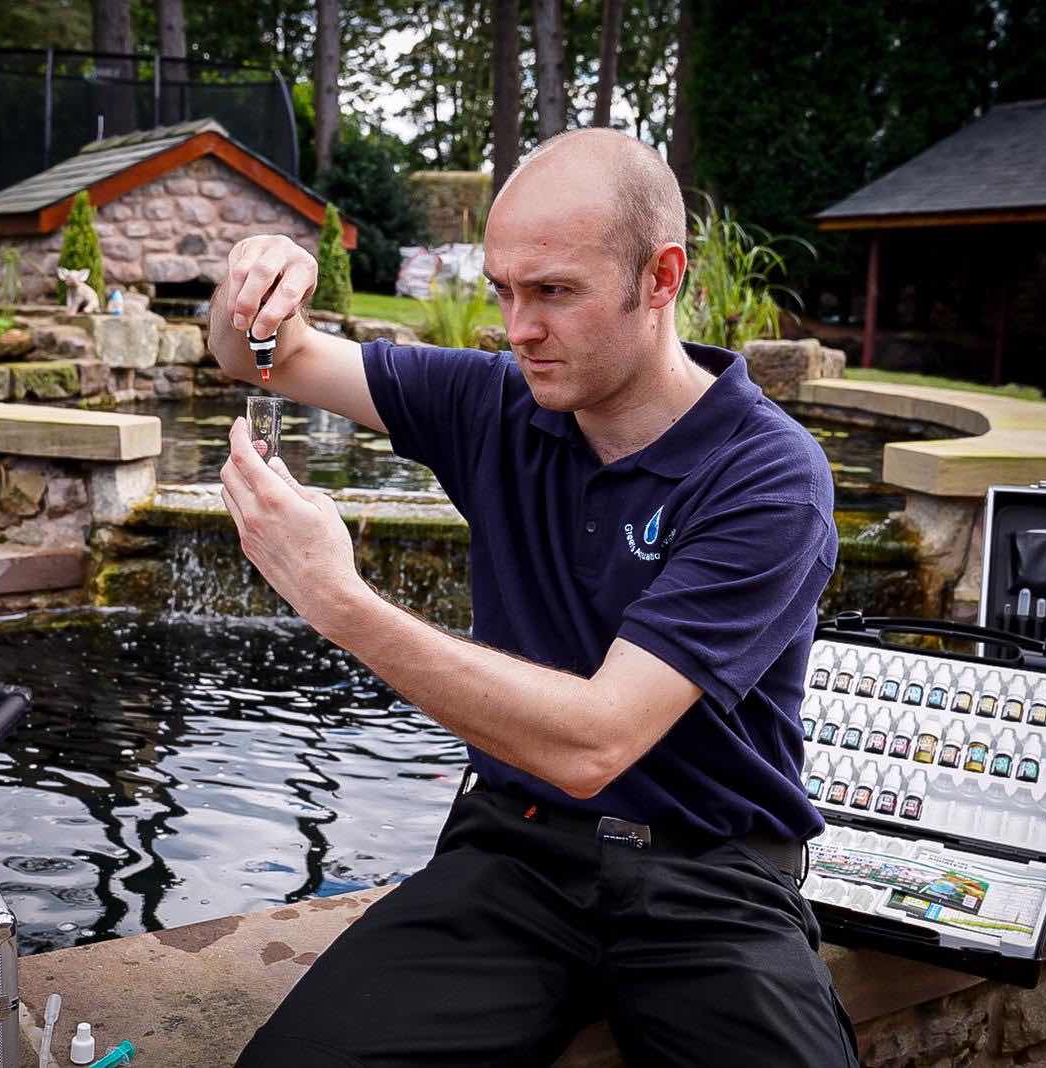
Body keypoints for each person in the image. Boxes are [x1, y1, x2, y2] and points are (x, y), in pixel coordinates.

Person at [207, 127, 859, 1067]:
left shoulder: (767, 476)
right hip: (514, 859)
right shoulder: (496, 401)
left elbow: (596, 741)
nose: (517, 329)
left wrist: (336, 598)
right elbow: (259, 359)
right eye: (504, 290)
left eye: (553, 291)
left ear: (662, 277)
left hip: (710, 876)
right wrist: (251, 290)